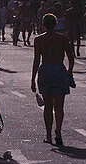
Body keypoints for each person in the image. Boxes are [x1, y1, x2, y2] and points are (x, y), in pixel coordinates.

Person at [30, 13, 75, 146]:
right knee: (59, 105)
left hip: (45, 71)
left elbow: (36, 60)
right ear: (55, 24)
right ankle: (59, 131)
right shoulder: (62, 39)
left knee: (48, 106)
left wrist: (33, 78)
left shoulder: (39, 40)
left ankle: (48, 135)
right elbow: (71, 58)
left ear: (43, 24)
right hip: (59, 70)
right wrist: (69, 72)